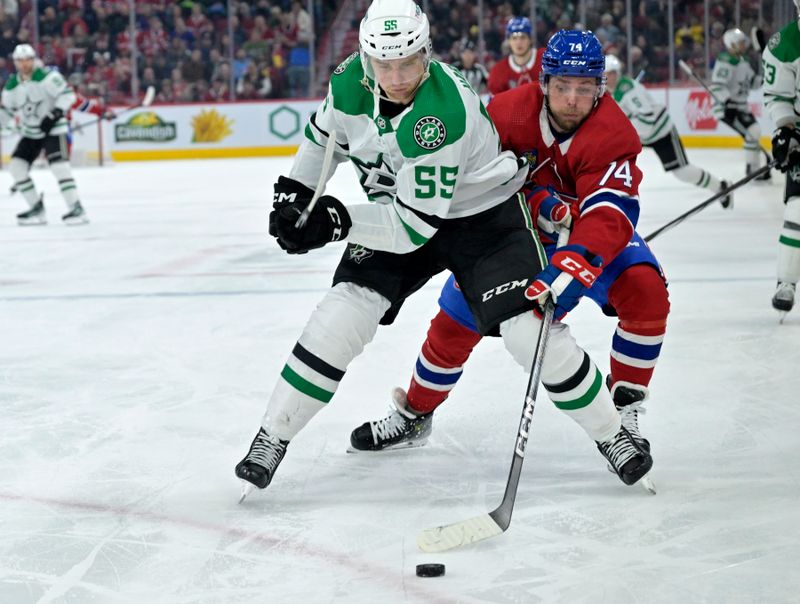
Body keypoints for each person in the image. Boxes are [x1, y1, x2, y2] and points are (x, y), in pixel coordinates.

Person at [235, 6, 651, 498]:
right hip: (403, 208)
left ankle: (612, 437)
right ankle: (271, 437)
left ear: (426, 54)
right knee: (343, 312)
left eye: (408, 63)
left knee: (526, 330)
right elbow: (325, 137)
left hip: (483, 218)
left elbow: (413, 228)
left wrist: (337, 221)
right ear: (365, 56)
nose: (395, 78)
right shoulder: (348, 80)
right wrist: (296, 193)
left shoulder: (441, 113)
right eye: (383, 64)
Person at [349, 31, 670, 480]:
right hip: (510, 235)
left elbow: (611, 215)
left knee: (645, 289)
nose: (573, 99)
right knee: (455, 320)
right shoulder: (504, 113)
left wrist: (572, 262)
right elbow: (473, 177)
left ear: (601, 87)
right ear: (544, 83)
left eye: (584, 88)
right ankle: (416, 413)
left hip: (585, 242)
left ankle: (624, 410)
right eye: (562, 86)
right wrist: (540, 202)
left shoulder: (615, 133)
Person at [604, 54, 732, 208]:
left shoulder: (628, 89)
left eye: (610, 73)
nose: (607, 77)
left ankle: (720, 186)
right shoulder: (610, 91)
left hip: (660, 132)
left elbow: (647, 120)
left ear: (616, 73)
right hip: (643, 135)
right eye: (604, 74)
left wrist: (625, 132)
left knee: (682, 172)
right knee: (614, 163)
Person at [0, 44, 88, 225]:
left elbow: (68, 95)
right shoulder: (11, 86)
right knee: (17, 167)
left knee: (59, 167)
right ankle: (36, 208)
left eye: (28, 60)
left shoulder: (48, 77)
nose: (25, 64)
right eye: (20, 61)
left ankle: (76, 207)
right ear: (15, 63)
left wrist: (54, 113)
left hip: (54, 129)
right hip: (31, 132)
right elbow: (7, 111)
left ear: (33, 60)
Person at [762, 4, 800, 315]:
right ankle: (786, 281)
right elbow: (779, 96)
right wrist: (786, 132)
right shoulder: (783, 45)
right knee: (798, 207)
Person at [710, 28, 771, 181]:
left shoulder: (743, 61)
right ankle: (753, 169)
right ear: (732, 44)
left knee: (753, 133)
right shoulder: (725, 60)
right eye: (741, 42)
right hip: (727, 108)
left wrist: (767, 77)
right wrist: (726, 102)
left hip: (740, 107)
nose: (745, 45)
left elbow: (752, 83)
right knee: (753, 132)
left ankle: (754, 168)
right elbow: (717, 86)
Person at [487, 16, 544, 95]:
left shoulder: (545, 59)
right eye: (514, 38)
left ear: (530, 39)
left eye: (523, 37)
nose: (518, 42)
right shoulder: (498, 71)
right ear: (509, 41)